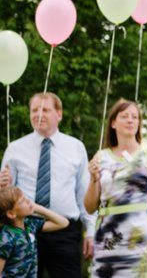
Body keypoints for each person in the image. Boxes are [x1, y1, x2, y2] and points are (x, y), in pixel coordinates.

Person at [0, 92, 94, 277]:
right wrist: (2, 185)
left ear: (59, 114)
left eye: (45, 109)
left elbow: (83, 193)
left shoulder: (76, 147)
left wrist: (90, 231)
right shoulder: (15, 148)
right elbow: (5, 197)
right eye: (34, 110)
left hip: (64, 231)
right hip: (23, 230)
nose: (38, 114)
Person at [84, 99, 147, 277]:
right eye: (124, 116)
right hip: (108, 239)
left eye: (135, 117)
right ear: (113, 123)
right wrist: (93, 179)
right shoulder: (101, 156)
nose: (130, 120)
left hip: (141, 239)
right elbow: (90, 207)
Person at [0, 186, 69, 277]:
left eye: (25, 198)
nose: (28, 201)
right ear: (11, 214)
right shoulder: (6, 238)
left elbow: (63, 223)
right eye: (22, 201)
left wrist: (38, 208)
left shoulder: (30, 224)